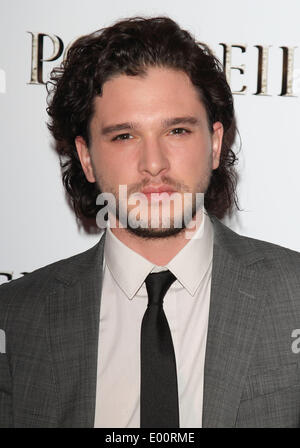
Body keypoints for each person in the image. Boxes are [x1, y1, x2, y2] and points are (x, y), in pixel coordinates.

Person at [0, 16, 300, 429]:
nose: (154, 164)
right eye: (124, 136)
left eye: (176, 130)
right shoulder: (14, 319)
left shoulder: (294, 294)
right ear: (86, 158)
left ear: (214, 144)